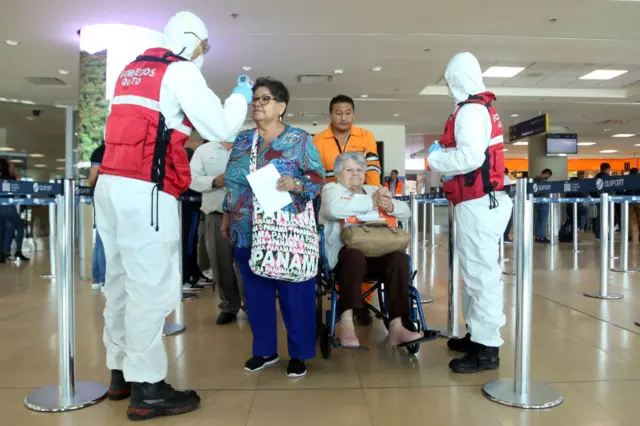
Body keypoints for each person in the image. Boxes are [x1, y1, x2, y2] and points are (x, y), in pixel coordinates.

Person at [94, 11, 251, 420]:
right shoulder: (178, 70)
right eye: (204, 46)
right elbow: (219, 126)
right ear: (190, 41)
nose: (204, 54)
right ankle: (147, 389)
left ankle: (120, 373)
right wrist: (240, 99)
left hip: (110, 187)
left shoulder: (132, 70)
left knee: (119, 282)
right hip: (145, 188)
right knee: (150, 286)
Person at [223, 77, 325, 378]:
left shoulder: (300, 139)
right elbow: (232, 181)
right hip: (247, 227)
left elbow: (318, 178)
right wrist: (228, 216)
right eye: (255, 98)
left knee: (296, 293)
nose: (257, 103)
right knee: (255, 294)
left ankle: (300, 353)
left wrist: (297, 183)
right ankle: (265, 350)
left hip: (287, 231)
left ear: (281, 107)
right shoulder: (243, 140)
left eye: (265, 99)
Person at [427, 52, 512, 374]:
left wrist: (435, 160)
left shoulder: (471, 111)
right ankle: (477, 335)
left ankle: (487, 349)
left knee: (481, 277)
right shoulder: (480, 108)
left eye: (451, 81)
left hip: (480, 203)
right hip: (480, 201)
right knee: (476, 274)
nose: (450, 88)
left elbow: (469, 158)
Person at [320, 152, 426, 347]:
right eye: (349, 169)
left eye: (359, 170)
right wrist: (372, 203)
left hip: (377, 252)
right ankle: (346, 324)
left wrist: (391, 205)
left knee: (399, 259)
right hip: (344, 258)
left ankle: (397, 326)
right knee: (354, 256)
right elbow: (335, 209)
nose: (355, 174)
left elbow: (406, 212)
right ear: (338, 173)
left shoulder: (372, 189)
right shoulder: (331, 189)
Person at [314, 94, 381, 325]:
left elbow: (372, 169)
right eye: (338, 112)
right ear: (330, 114)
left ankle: (362, 302)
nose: (343, 117)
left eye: (348, 112)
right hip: (333, 201)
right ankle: (347, 301)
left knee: (368, 246)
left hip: (364, 199)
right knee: (343, 248)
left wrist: (370, 195)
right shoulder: (319, 140)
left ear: (353, 113)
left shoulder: (366, 136)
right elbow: (315, 174)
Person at [190, 138, 244, 325]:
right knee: (220, 263)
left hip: (246, 215)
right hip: (215, 213)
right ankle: (229, 305)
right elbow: (191, 179)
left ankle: (252, 306)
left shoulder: (248, 145)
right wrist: (214, 181)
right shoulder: (204, 150)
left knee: (248, 263)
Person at [181, 138, 212, 291]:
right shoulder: (187, 153)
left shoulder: (188, 153)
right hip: (188, 202)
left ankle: (193, 272)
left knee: (192, 240)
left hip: (193, 203)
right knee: (187, 240)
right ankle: (186, 276)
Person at [88, 142, 106, 290]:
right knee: (104, 238)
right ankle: (103, 278)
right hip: (104, 197)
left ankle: (97, 279)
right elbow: (92, 177)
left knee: (100, 239)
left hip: (101, 195)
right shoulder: (102, 151)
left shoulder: (100, 151)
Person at [2, 161, 29, 261]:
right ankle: (17, 251)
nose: (13, 170)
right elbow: (19, 192)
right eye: (12, 168)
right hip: (9, 208)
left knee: (8, 229)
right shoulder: (12, 179)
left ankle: (5, 252)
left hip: (7, 208)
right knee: (19, 227)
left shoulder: (10, 178)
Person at [534, 168, 553, 243]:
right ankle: (542, 236)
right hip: (543, 201)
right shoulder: (543, 181)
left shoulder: (535, 180)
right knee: (543, 220)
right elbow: (545, 192)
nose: (549, 177)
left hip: (537, 202)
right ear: (546, 173)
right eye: (549, 175)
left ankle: (538, 237)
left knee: (538, 219)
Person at [629, 168, 640, 243]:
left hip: (629, 200)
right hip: (639, 199)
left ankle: (629, 236)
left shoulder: (627, 178)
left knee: (628, 219)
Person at [503, 168, 513, 243]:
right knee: (508, 219)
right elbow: (509, 190)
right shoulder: (505, 177)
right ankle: (505, 236)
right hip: (505, 201)